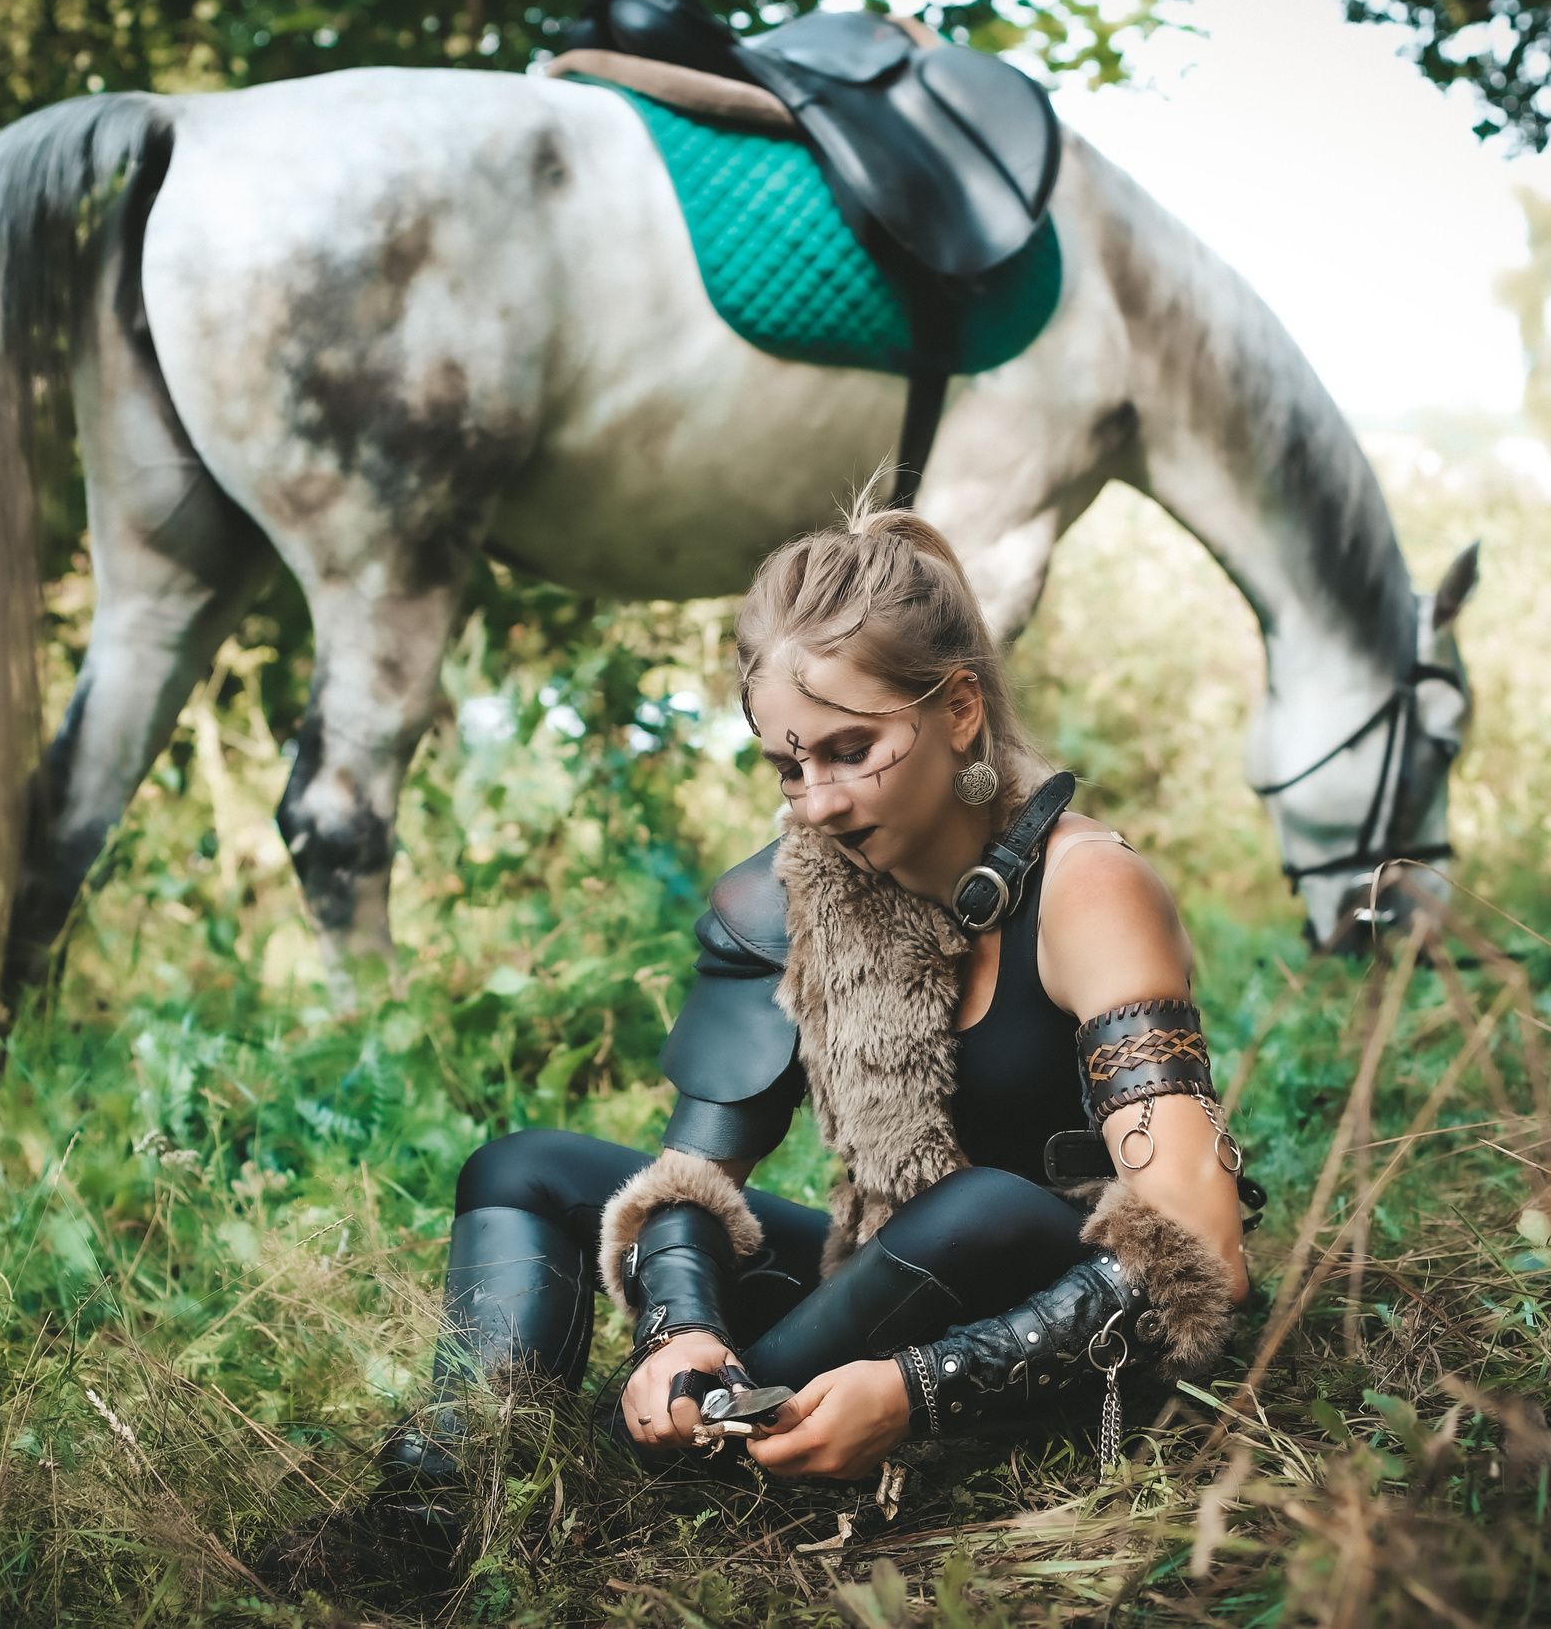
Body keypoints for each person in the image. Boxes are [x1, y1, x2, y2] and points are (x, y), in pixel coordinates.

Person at [264, 500, 1255, 1587]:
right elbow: (690, 1178)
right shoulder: (783, 894)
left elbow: (1197, 1244)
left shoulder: (1088, 887)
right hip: (875, 1290)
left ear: (960, 710)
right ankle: (438, 1497)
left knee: (983, 1207)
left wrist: (917, 1387)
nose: (817, 801)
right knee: (522, 1168)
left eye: (851, 750)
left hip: (1074, 1337)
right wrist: (677, 1330)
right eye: (789, 766)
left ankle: (604, 1477)